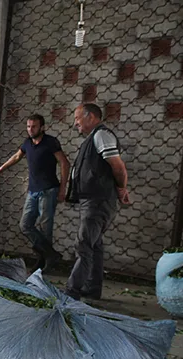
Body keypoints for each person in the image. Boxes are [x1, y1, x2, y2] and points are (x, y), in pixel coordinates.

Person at [64, 103, 130, 300]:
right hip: (92, 199)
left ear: (91, 117)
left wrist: (121, 188)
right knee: (94, 245)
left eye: (78, 118)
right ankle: (93, 288)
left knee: (83, 245)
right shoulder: (92, 139)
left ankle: (71, 292)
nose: (75, 123)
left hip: (98, 200)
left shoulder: (101, 135)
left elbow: (118, 167)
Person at [0, 114, 70, 271]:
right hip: (33, 191)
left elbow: (64, 163)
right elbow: (17, 156)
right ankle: (50, 255)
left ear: (42, 127)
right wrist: (1, 168)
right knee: (25, 225)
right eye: (28, 126)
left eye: (34, 126)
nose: (30, 129)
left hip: (49, 190)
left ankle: (44, 262)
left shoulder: (50, 142)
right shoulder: (27, 143)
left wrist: (63, 188)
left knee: (45, 227)